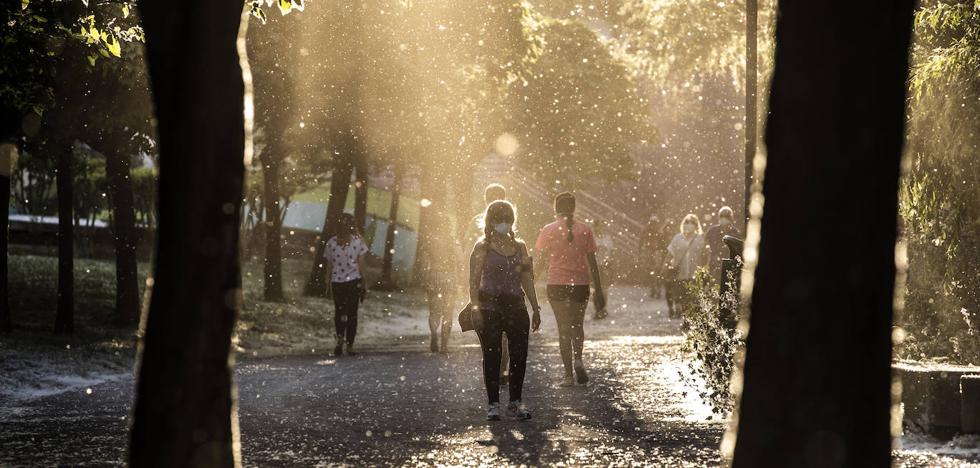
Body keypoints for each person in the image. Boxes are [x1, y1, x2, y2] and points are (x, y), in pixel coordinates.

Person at [469, 200, 542, 420]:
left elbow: (527, 278)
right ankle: (493, 404)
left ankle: (515, 402)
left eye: (508, 220)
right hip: (489, 308)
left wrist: (535, 307)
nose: (504, 224)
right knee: (492, 356)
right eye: (500, 220)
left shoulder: (520, 246)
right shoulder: (482, 247)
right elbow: (473, 281)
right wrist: (475, 308)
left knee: (519, 356)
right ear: (490, 221)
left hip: (516, 308)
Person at [534, 192, 607, 386]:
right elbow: (593, 263)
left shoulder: (548, 230)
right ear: (574, 208)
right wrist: (598, 290)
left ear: (555, 209)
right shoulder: (585, 230)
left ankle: (568, 375)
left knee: (563, 329)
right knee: (577, 325)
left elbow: (541, 263)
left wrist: (528, 282)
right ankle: (578, 359)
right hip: (580, 285)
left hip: (556, 284)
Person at [472, 183, 510, 383]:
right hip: (508, 287)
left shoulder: (476, 223)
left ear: (485, 200)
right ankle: (502, 368)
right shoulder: (510, 221)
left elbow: (467, 257)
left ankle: (492, 367)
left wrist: (470, 284)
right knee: (505, 332)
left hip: (484, 286)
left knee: (487, 330)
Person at [323, 213, 369, 356]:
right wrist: (364, 282)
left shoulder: (331, 242)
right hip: (353, 281)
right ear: (352, 226)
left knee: (339, 312)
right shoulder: (358, 242)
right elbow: (361, 264)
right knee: (352, 314)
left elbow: (329, 266)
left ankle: (339, 340)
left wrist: (327, 282)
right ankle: (350, 345)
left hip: (337, 282)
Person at [425, 210, 458, 353]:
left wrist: (427, 277)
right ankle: (444, 345)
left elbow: (425, 261)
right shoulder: (451, 240)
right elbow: (457, 260)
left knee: (434, 311)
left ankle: (434, 335)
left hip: (434, 275)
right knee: (448, 312)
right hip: (449, 276)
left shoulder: (430, 240)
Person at [666, 213, 706, 319]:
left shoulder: (700, 239)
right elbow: (670, 253)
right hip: (679, 274)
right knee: (681, 297)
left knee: (692, 298)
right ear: (683, 224)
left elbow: (705, 255)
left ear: (696, 225)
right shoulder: (677, 238)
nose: (689, 225)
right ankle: (683, 316)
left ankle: (688, 320)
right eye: (687, 222)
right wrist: (665, 267)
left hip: (695, 274)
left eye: (692, 222)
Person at [704, 206, 739, 281]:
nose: (723, 218)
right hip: (713, 265)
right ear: (718, 217)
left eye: (726, 216)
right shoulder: (712, 230)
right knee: (713, 287)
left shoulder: (735, 232)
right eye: (721, 216)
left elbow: (737, 251)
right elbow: (704, 245)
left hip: (728, 266)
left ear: (731, 218)